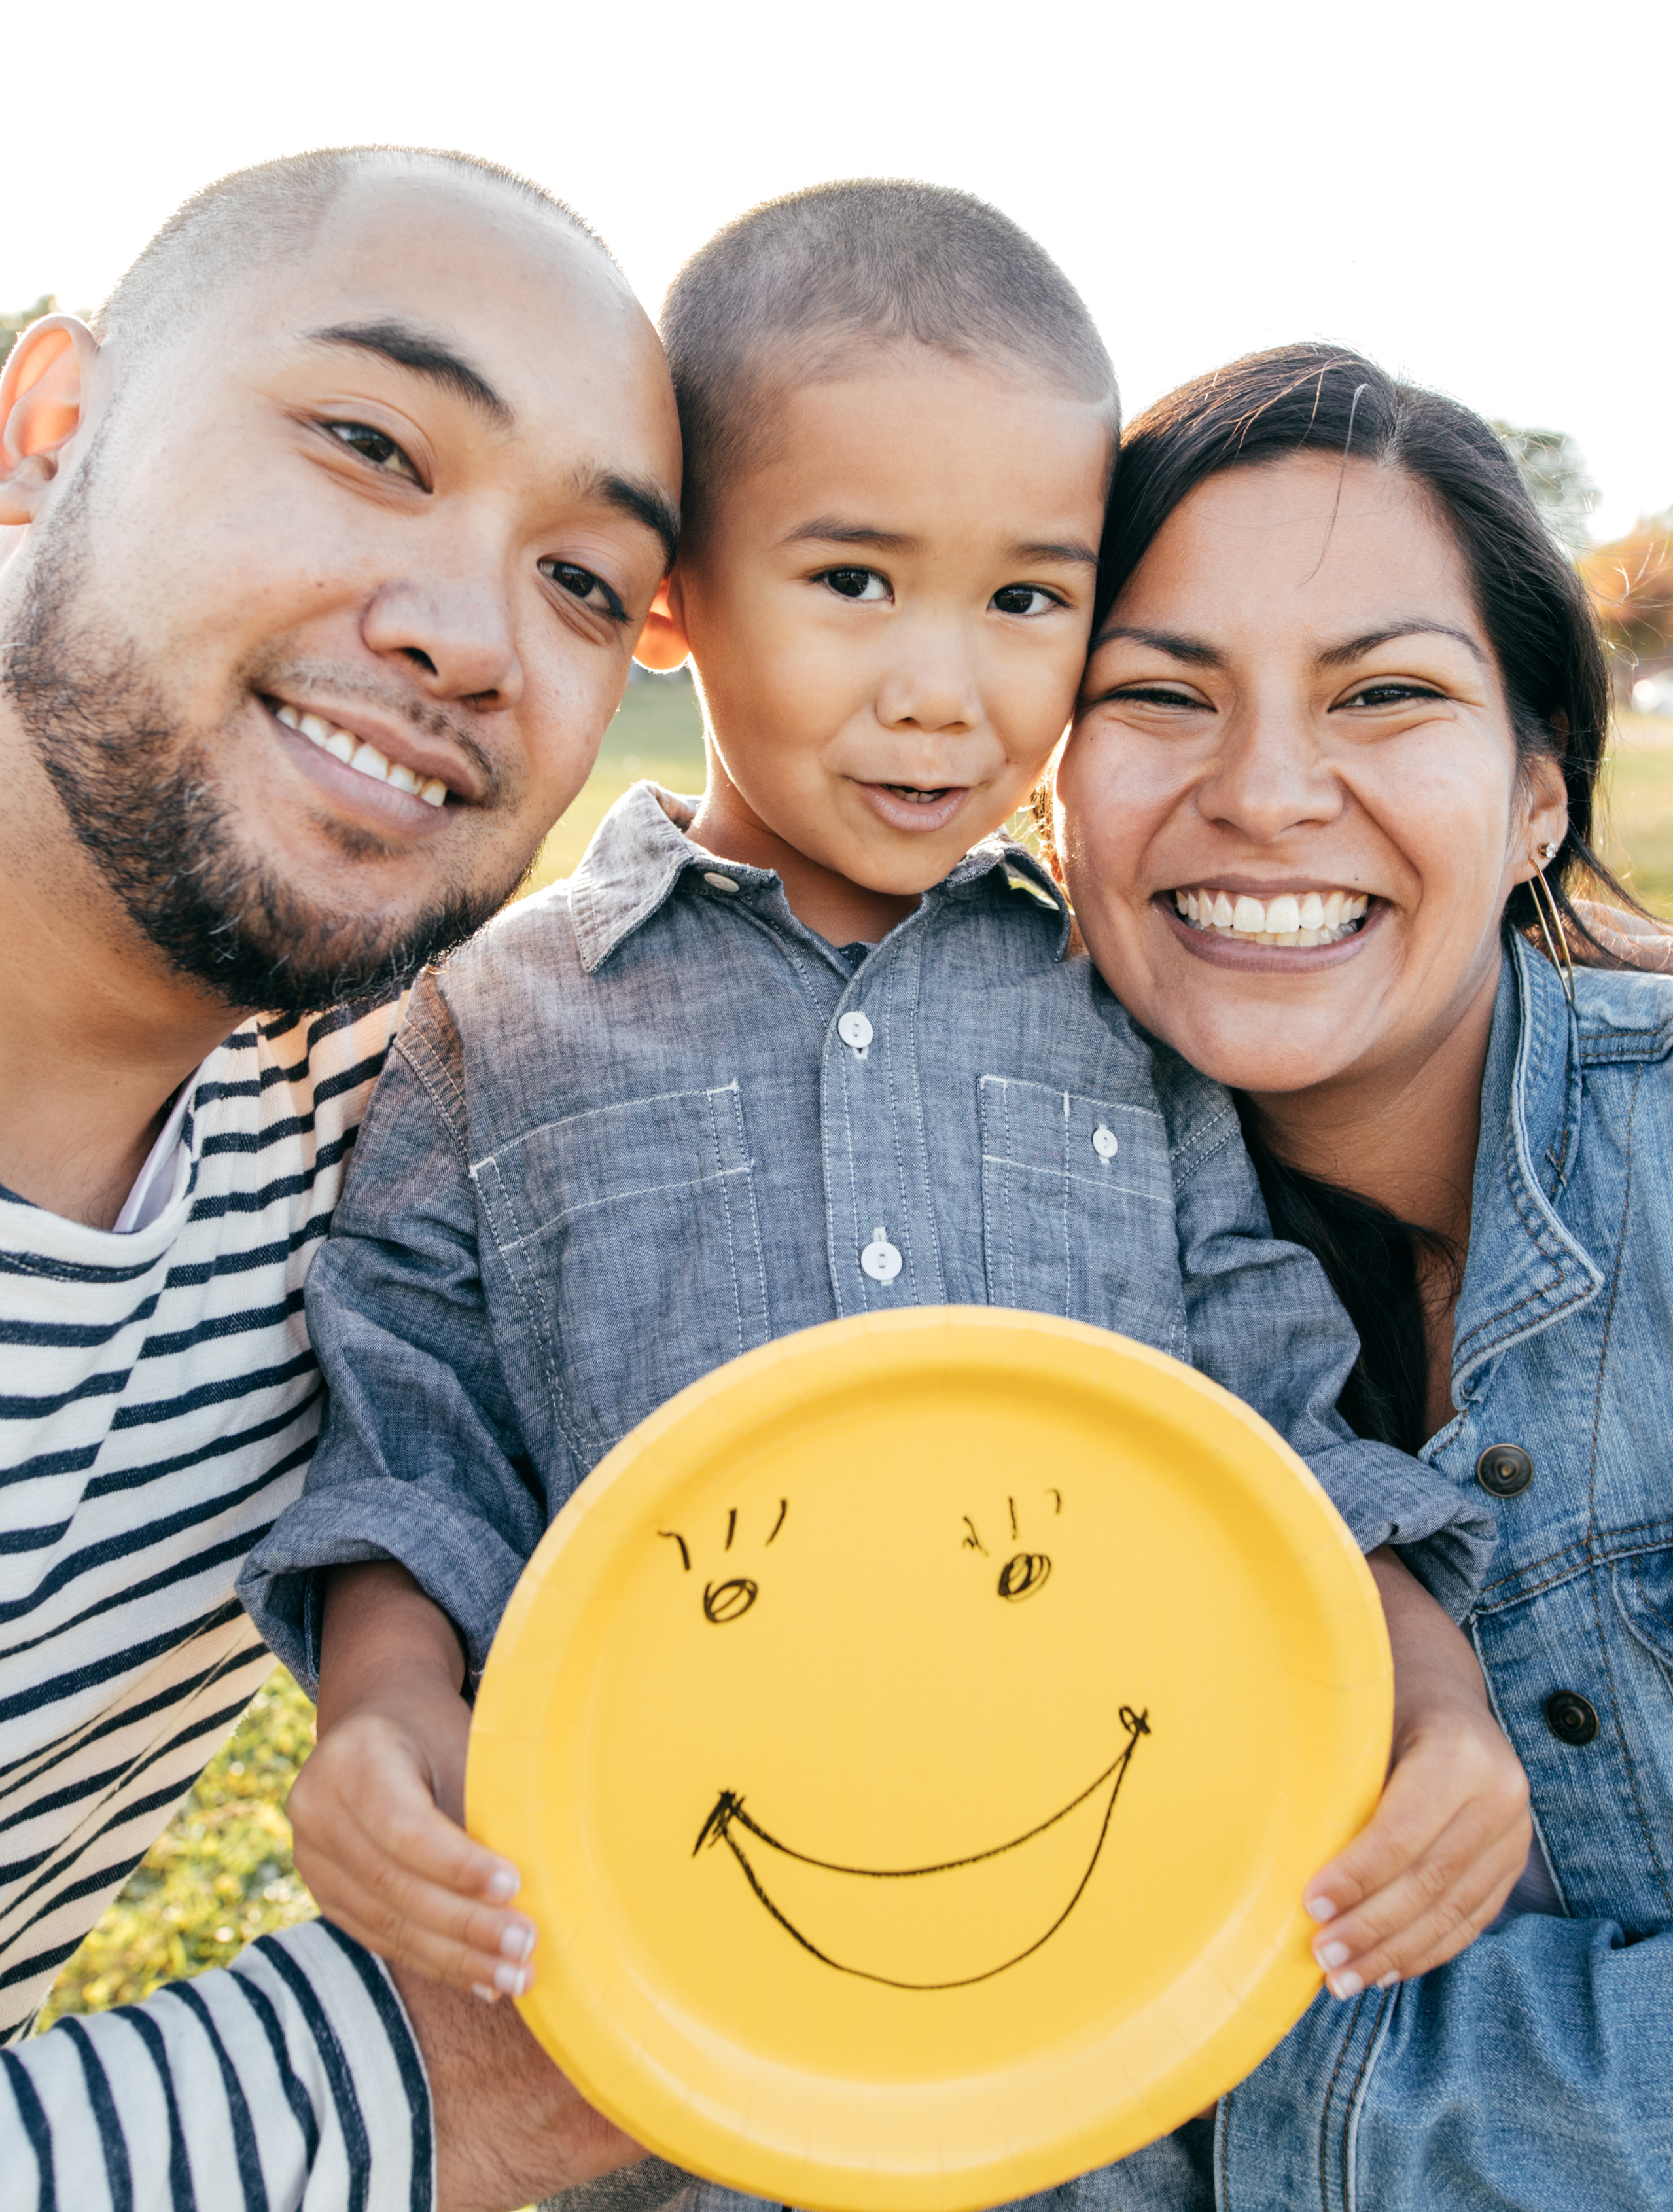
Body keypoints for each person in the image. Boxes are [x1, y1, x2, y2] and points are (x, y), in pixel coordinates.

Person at [241, 187, 1523, 2188]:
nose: (947, 690)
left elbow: (1271, 1410)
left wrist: (1434, 1703)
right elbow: (414, 1423)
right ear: (673, 596)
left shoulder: (1116, 1006)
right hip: (671, 2037)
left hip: (1116, 2019)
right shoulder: (499, 1021)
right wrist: (384, 1711)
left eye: (1028, 601)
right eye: (853, 580)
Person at [0, 145, 683, 2211]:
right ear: (55, 429)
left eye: (585, 583)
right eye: (373, 442)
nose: (476, 638)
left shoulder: (383, 1109)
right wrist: (422, 2094)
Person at [1055, 341, 1673, 2205]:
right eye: (1159, 693)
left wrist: (1172, 2089)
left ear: (1536, 801)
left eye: (1385, 695)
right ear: (1041, 785)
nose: (1263, 792)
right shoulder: (963, 1274)